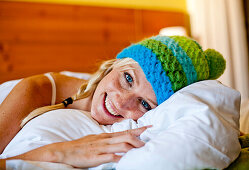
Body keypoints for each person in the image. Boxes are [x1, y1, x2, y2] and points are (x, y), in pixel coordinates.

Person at [0, 35, 226, 168]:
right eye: (128, 78)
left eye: (144, 104)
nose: (122, 102)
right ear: (114, 64)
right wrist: (57, 154)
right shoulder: (38, 90)